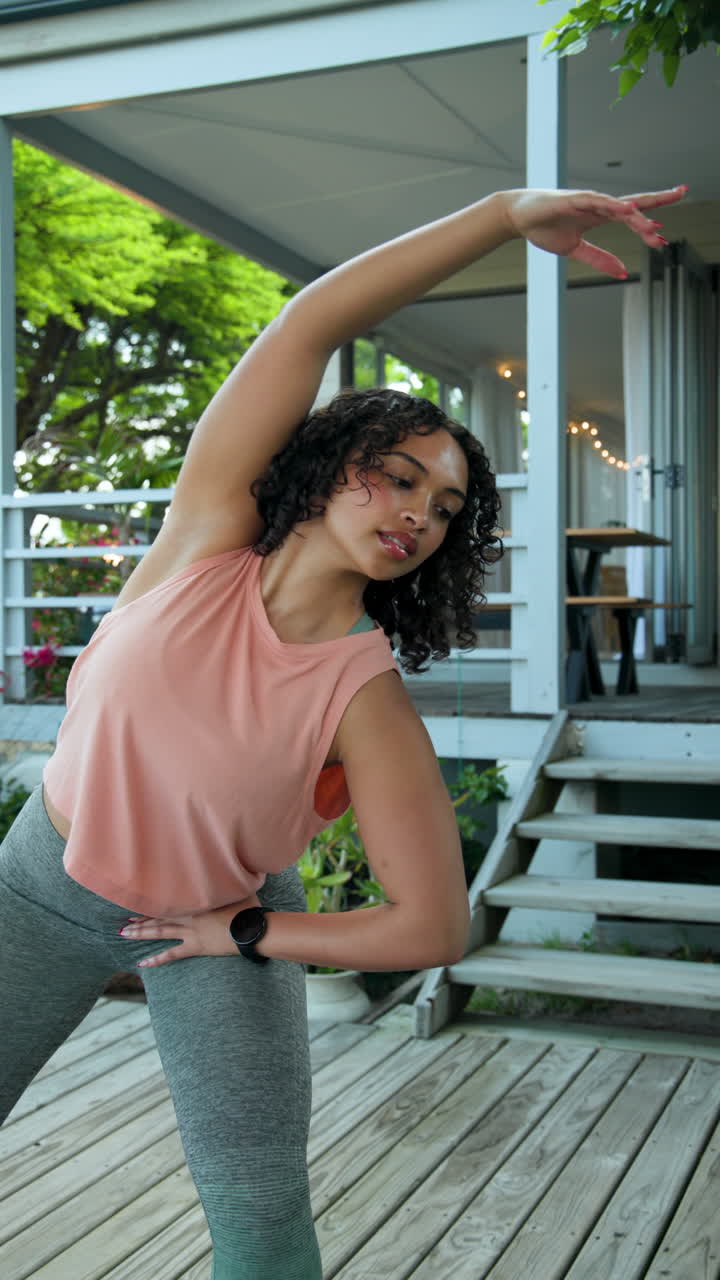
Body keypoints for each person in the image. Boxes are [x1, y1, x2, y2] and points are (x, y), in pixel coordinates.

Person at [0, 182, 686, 1278]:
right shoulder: (208, 536)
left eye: (446, 507)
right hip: (37, 883)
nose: (419, 511)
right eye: (399, 476)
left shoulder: (366, 698)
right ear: (329, 465)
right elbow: (310, 322)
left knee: (261, 1211)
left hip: (205, 923)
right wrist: (503, 216)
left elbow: (434, 925)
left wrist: (248, 934)